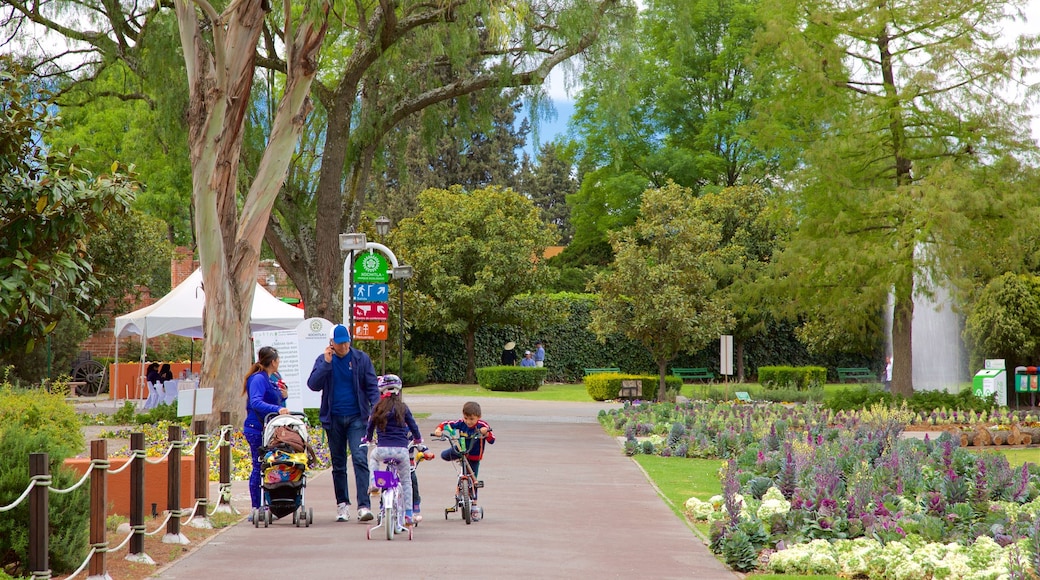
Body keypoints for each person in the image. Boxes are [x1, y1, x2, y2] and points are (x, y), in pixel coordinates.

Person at [307, 324, 379, 523]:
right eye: (340, 343)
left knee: (359, 458)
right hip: (334, 419)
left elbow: (372, 386)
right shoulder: (323, 360)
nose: (345, 345)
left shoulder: (360, 359)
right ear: (331, 344)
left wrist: (378, 408)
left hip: (357, 417)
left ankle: (364, 506)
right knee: (338, 464)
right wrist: (327, 364)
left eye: (347, 341)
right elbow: (313, 385)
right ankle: (342, 505)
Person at [364, 374, 422, 527]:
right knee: (406, 481)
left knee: (373, 458)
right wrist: (418, 439)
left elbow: (370, 426)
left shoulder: (377, 407)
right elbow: (413, 426)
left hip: (383, 449)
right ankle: (409, 513)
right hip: (401, 451)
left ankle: (375, 483)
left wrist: (367, 438)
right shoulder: (403, 408)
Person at [242, 346, 290, 521]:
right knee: (258, 465)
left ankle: (268, 503)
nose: (279, 363)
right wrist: (278, 409)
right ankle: (256, 506)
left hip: (270, 429)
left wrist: (283, 396)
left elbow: (277, 399)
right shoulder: (258, 379)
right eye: (278, 360)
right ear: (273, 362)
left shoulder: (273, 378)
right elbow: (256, 402)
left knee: (270, 465)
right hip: (256, 428)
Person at [433, 401, 495, 512]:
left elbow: (492, 440)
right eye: (466, 418)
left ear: (478, 417)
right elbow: (447, 424)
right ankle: (460, 461)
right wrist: (439, 430)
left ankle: (474, 505)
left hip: (474, 455)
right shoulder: (461, 423)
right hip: (460, 450)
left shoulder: (482, 425)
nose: (468, 422)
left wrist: (485, 433)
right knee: (444, 455)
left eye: (471, 419)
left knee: (473, 479)